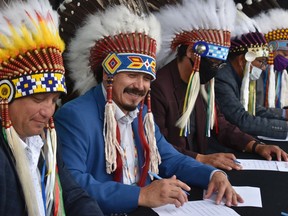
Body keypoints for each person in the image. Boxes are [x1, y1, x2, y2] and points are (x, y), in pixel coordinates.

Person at [55, 0, 243, 215]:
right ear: (109, 75)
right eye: (131, 75)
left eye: (146, 78)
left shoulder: (141, 113)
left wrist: (213, 175)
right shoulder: (74, 116)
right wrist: (141, 195)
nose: (140, 86)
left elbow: (169, 158)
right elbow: (72, 185)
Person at [149, 0, 287, 171]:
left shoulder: (202, 80)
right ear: (192, 51)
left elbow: (219, 123)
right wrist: (201, 159)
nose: (216, 69)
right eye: (213, 62)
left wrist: (255, 145)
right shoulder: (159, 88)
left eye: (220, 64)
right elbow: (158, 147)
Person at [0, 0, 104, 215]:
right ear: (5, 95)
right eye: (39, 98)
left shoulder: (44, 139)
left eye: (54, 100)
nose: (48, 111)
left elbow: (73, 194)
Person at [215, 10, 288, 140]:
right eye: (261, 62)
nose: (264, 67)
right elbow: (242, 119)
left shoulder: (238, 76)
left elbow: (254, 108)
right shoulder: (223, 78)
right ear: (242, 60)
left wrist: (284, 115)